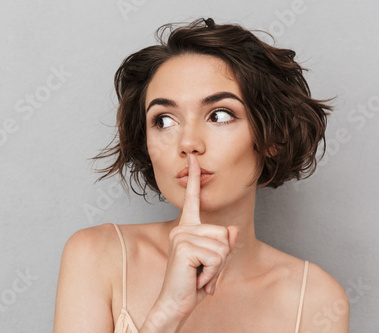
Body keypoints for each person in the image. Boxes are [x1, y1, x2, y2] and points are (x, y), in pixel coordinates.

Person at [53, 18, 349, 332]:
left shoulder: (316, 299)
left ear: (272, 138)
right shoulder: (97, 255)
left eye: (219, 115)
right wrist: (167, 313)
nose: (189, 143)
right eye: (164, 121)